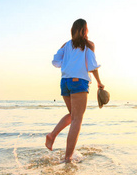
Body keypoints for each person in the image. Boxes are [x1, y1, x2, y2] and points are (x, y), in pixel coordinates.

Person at [45, 19, 105, 162]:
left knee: (73, 115)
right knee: (77, 119)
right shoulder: (88, 45)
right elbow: (92, 66)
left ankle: (52, 135)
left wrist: (67, 64)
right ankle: (68, 158)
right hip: (79, 82)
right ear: (85, 30)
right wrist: (99, 83)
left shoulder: (66, 45)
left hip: (65, 82)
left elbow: (55, 61)